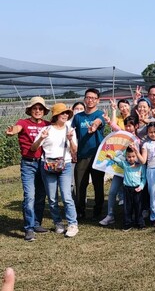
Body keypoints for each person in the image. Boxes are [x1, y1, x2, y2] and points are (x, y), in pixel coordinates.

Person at [5, 96, 51, 241]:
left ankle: (37, 223)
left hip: (44, 163)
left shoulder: (47, 124)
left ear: (44, 111)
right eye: (35, 108)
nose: (37, 111)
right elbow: (17, 128)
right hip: (28, 163)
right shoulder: (23, 123)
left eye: (40, 108)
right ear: (30, 110)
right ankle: (29, 228)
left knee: (40, 195)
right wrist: (13, 131)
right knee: (29, 196)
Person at [31, 103, 79, 238]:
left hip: (65, 165)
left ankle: (72, 224)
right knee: (52, 198)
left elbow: (74, 151)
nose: (65, 115)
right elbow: (34, 148)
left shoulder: (70, 130)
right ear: (56, 115)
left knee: (66, 196)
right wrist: (41, 138)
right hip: (47, 166)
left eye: (67, 113)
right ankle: (58, 223)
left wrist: (70, 140)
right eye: (62, 113)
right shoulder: (46, 130)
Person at [71, 88, 106, 220]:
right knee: (80, 184)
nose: (90, 100)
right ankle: (80, 211)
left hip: (97, 156)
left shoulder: (100, 114)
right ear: (84, 99)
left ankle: (98, 211)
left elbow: (99, 121)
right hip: (82, 155)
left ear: (97, 100)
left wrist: (94, 126)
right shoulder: (78, 117)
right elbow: (72, 134)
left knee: (98, 184)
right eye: (87, 97)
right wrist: (73, 151)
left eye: (93, 98)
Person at [99, 116, 139, 226]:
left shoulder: (138, 140)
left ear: (136, 126)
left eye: (130, 126)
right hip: (120, 171)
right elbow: (116, 129)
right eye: (126, 126)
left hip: (133, 173)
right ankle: (110, 215)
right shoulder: (123, 135)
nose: (128, 128)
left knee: (133, 195)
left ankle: (136, 215)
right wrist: (108, 121)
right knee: (112, 192)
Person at [109, 146, 147, 231]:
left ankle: (140, 223)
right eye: (129, 157)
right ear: (126, 157)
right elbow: (118, 161)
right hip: (127, 189)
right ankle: (127, 224)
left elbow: (144, 178)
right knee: (127, 208)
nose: (131, 159)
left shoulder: (141, 166)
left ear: (137, 156)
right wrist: (112, 157)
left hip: (138, 190)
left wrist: (141, 187)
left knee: (138, 207)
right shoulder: (125, 164)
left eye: (133, 156)